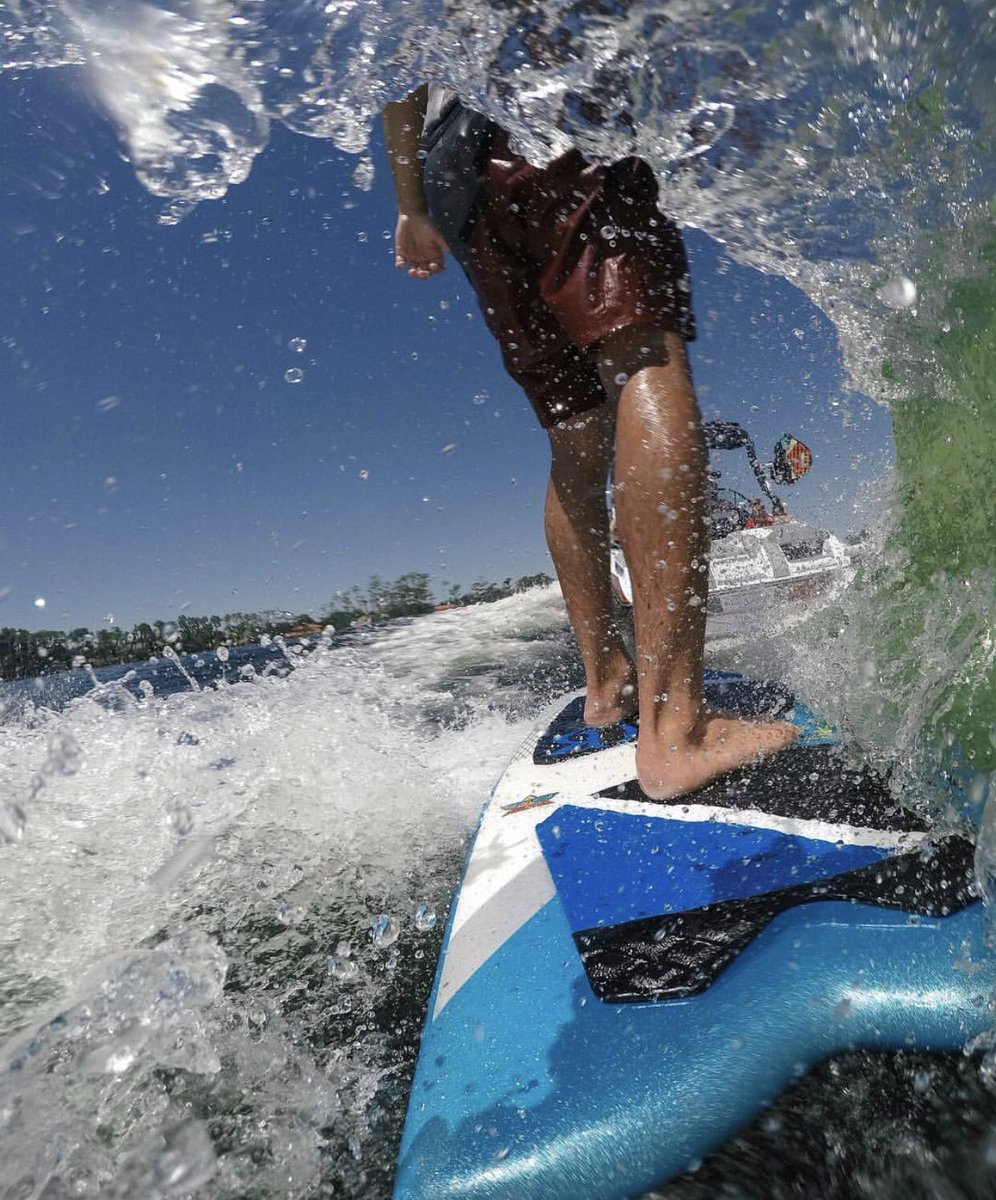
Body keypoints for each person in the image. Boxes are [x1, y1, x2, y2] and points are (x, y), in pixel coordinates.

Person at [382, 85, 797, 798]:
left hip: (456, 183)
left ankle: (606, 682)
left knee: (574, 435)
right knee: (643, 358)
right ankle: (680, 733)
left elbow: (397, 87)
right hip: (543, 113)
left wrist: (412, 207)